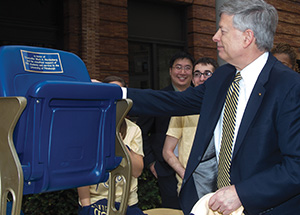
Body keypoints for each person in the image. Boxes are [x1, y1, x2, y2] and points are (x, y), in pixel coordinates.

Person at [124, 0, 300, 214]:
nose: (215, 36)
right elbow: (174, 101)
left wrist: (241, 193)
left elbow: (296, 166)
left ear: (247, 37)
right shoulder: (223, 77)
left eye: (222, 31)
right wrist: (116, 94)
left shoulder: (289, 87)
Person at [77, 76, 145, 215]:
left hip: (127, 203)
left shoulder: (133, 130)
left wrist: (121, 145)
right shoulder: (88, 128)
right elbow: (81, 172)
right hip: (96, 202)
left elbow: (137, 171)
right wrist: (86, 207)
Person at [136, 51, 194, 209]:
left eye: (187, 68)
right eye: (178, 67)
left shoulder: (200, 98)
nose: (182, 72)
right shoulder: (159, 98)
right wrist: (151, 162)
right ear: (170, 71)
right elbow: (140, 130)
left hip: (196, 168)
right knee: (173, 210)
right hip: (165, 169)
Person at [162, 57, 218, 196]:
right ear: (193, 80)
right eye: (197, 74)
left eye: (207, 74)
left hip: (221, 186)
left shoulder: (226, 107)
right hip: (190, 185)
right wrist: (185, 174)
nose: (202, 78)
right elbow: (167, 151)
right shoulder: (183, 109)